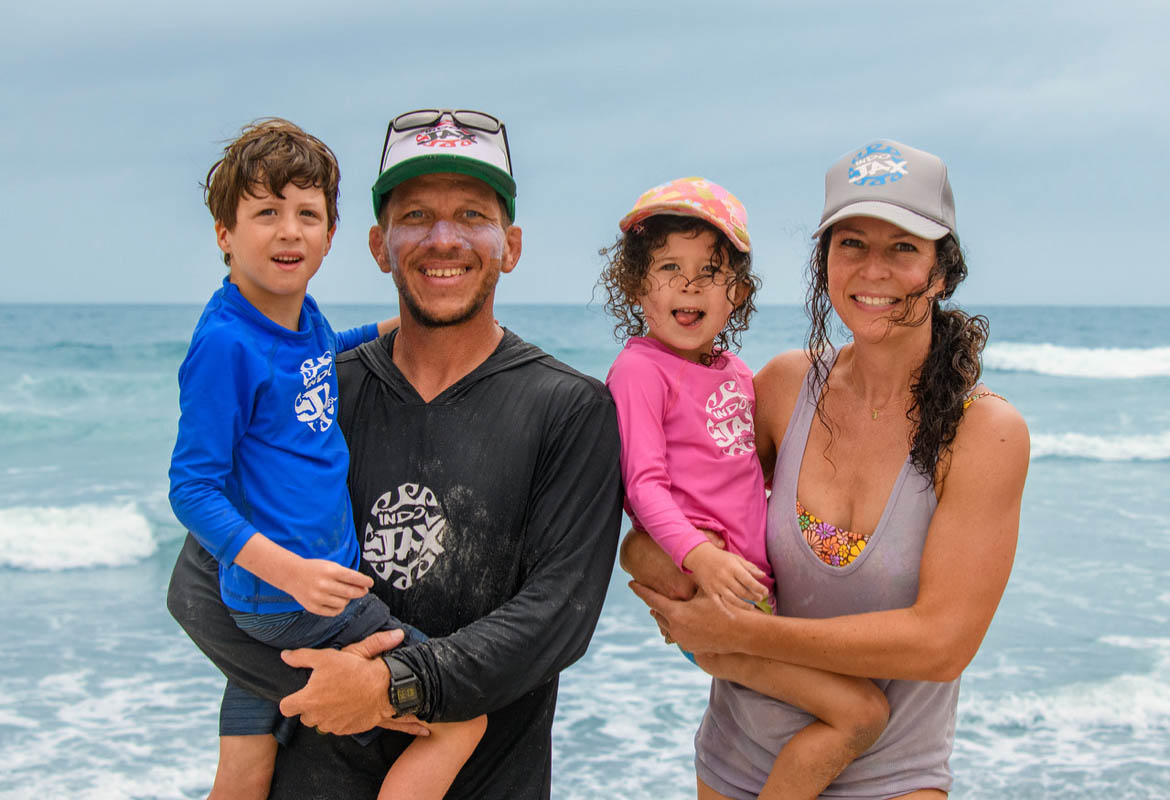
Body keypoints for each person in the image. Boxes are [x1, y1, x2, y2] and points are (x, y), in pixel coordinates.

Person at [167, 108, 624, 799]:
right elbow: (197, 590)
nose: (444, 239)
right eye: (415, 217)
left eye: (472, 214)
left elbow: (556, 618)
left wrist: (391, 687)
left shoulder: (569, 409)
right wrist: (312, 689)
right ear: (380, 246)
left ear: (512, 244)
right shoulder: (319, 389)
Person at [624, 139, 1029, 799]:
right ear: (825, 261)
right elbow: (668, 504)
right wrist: (662, 565)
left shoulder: (985, 432)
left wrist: (742, 633)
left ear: (943, 270)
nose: (873, 270)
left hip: (892, 775)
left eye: (903, 247)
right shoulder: (784, 389)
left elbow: (941, 644)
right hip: (734, 761)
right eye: (851, 244)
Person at [168, 117, 485, 800]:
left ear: (330, 237)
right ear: (225, 234)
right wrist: (294, 574)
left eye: (307, 214)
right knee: (461, 714)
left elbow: (314, 354)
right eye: (265, 213)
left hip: (273, 598)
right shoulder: (226, 345)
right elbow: (191, 489)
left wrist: (386, 328)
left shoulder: (299, 314)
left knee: (247, 762)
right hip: (294, 596)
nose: (289, 231)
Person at [600, 176, 891, 798]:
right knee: (861, 713)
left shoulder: (735, 373)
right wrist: (698, 556)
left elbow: (748, 476)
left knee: (834, 710)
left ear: (736, 293)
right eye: (668, 267)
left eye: (711, 271)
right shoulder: (640, 370)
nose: (689, 283)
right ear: (636, 288)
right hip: (715, 602)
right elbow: (642, 488)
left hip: (751, 595)